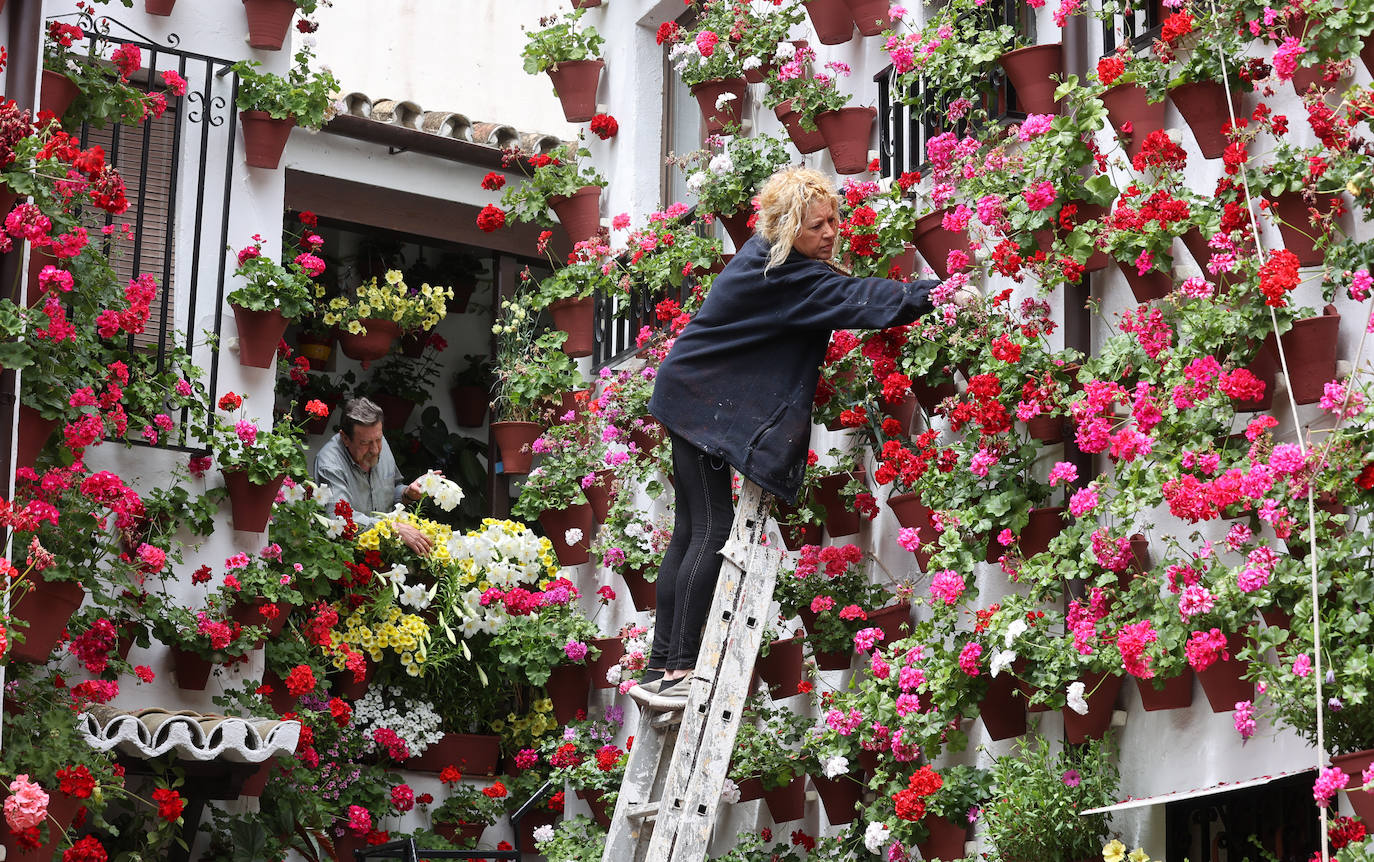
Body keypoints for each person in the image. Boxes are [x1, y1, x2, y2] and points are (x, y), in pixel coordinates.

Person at [633, 166, 948, 706]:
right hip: (699, 404)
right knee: (709, 530)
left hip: (689, 395)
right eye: (815, 227)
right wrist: (934, 294)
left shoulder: (771, 261)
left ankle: (663, 664)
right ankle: (681, 669)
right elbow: (857, 299)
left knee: (690, 531)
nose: (829, 234)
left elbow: (843, 292)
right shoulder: (782, 271)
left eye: (833, 221)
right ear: (785, 230)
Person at [314, 396, 433, 554]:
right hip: (346, 557)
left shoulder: (377, 440)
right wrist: (392, 528)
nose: (375, 449)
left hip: (383, 552)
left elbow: (394, 488)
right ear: (345, 438)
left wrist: (407, 493)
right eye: (365, 443)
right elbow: (340, 520)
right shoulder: (329, 463)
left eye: (378, 439)